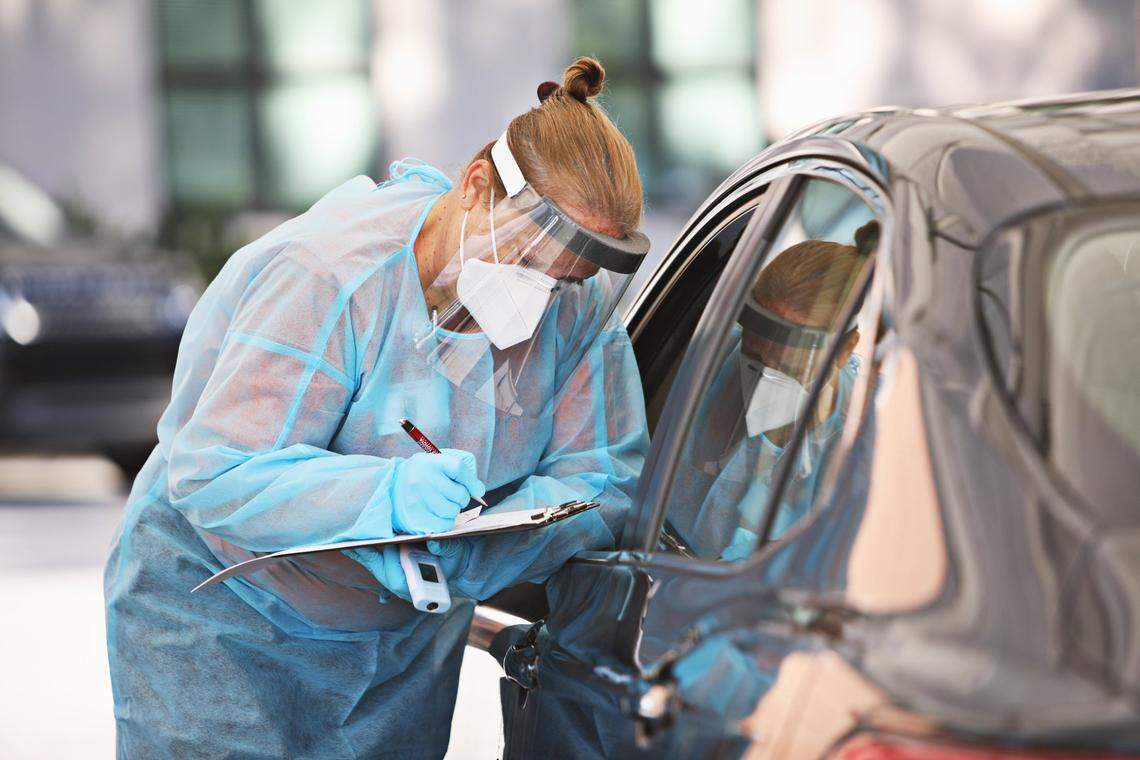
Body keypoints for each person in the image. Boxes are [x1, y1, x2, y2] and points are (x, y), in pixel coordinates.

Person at [104, 57, 650, 759]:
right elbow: (217, 469)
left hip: (399, 646)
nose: (539, 295)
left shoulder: (578, 311)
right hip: (224, 618)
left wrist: (476, 551)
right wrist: (385, 496)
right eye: (527, 260)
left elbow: (603, 478)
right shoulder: (331, 275)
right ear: (475, 186)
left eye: (565, 280)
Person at [666, 223, 877, 561]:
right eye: (753, 355)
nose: (765, 380)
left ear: (846, 348)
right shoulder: (711, 361)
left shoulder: (862, 444)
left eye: (789, 370)